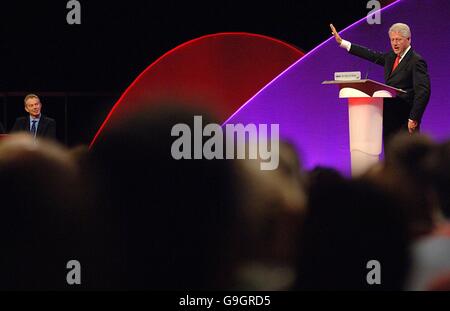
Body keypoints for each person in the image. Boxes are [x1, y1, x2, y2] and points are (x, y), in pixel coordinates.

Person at [330, 23, 431, 144]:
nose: (395, 43)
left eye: (398, 40)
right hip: (389, 117)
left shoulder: (416, 61)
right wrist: (343, 43)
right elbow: (371, 55)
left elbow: (423, 92)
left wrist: (414, 118)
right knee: (390, 157)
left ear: (408, 39)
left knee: (407, 159)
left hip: (405, 119)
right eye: (392, 40)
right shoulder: (391, 57)